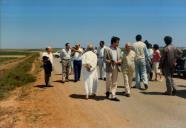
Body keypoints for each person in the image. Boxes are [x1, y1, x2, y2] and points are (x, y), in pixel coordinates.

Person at [104, 36, 122, 101]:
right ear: (113, 42)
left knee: (114, 82)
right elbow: (104, 59)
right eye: (117, 42)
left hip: (116, 67)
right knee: (108, 81)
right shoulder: (107, 49)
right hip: (109, 67)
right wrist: (110, 61)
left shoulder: (119, 49)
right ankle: (107, 91)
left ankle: (113, 95)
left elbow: (120, 58)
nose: (118, 43)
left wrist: (119, 61)